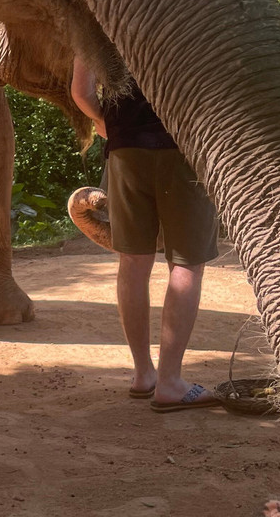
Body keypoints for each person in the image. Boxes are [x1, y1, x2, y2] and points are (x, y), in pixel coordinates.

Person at [70, 56, 220, 412]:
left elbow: (81, 91)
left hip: (125, 151)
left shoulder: (103, 14)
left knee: (133, 261)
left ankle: (143, 375)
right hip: (185, 148)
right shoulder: (195, 9)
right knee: (186, 262)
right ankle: (170, 383)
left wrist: (115, 128)